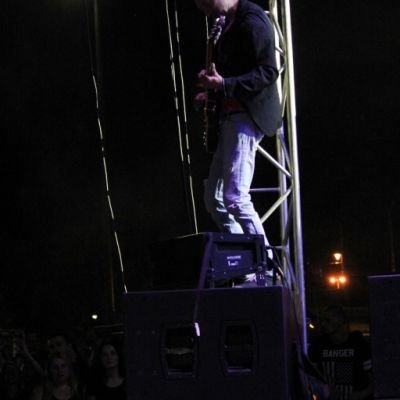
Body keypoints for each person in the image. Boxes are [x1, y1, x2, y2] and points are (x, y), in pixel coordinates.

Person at [194, 0, 282, 260]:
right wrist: (211, 93)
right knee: (214, 200)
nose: (204, 10)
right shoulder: (225, 22)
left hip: (246, 116)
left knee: (235, 197)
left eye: (206, 3)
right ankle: (245, 259)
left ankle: (265, 264)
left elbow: (268, 72)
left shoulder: (252, 21)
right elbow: (231, 74)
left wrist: (224, 84)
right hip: (229, 117)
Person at [308, 305, 373, 400]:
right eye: (322, 320)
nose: (323, 324)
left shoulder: (359, 345)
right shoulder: (319, 345)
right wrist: (324, 391)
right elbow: (310, 378)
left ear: (340, 321)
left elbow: (374, 379)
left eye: (327, 320)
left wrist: (361, 394)